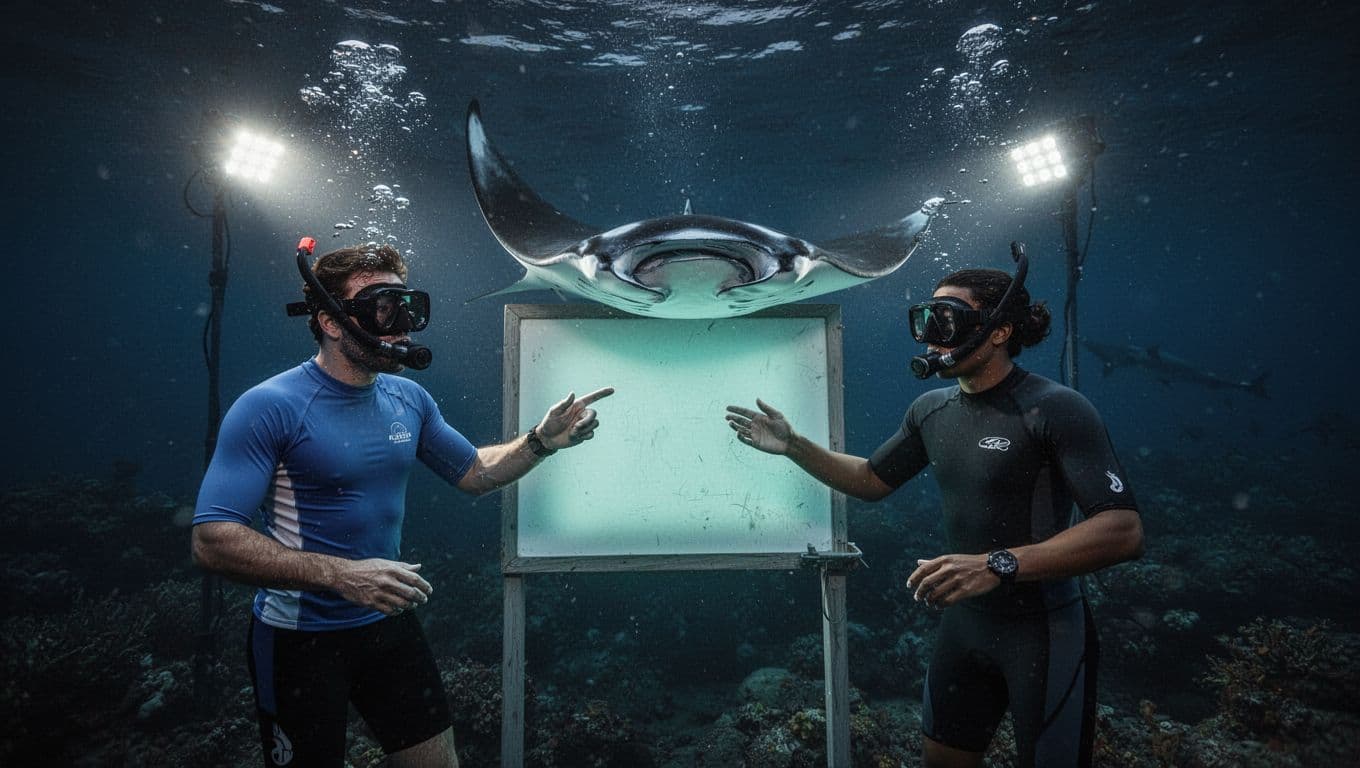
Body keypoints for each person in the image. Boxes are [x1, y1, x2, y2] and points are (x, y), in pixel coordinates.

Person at [191, 242, 613, 768]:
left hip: (386, 624)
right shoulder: (270, 407)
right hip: (297, 642)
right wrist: (343, 576)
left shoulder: (408, 399)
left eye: (408, 307)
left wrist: (541, 441)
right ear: (331, 321)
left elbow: (476, 474)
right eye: (380, 308)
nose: (400, 325)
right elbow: (211, 540)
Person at [725, 267, 1143, 768]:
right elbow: (869, 481)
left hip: (1046, 631)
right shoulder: (931, 410)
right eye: (924, 319)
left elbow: (1123, 529)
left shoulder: (1056, 409)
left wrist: (995, 565)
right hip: (963, 628)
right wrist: (794, 446)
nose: (931, 336)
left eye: (947, 320)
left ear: (1000, 331)